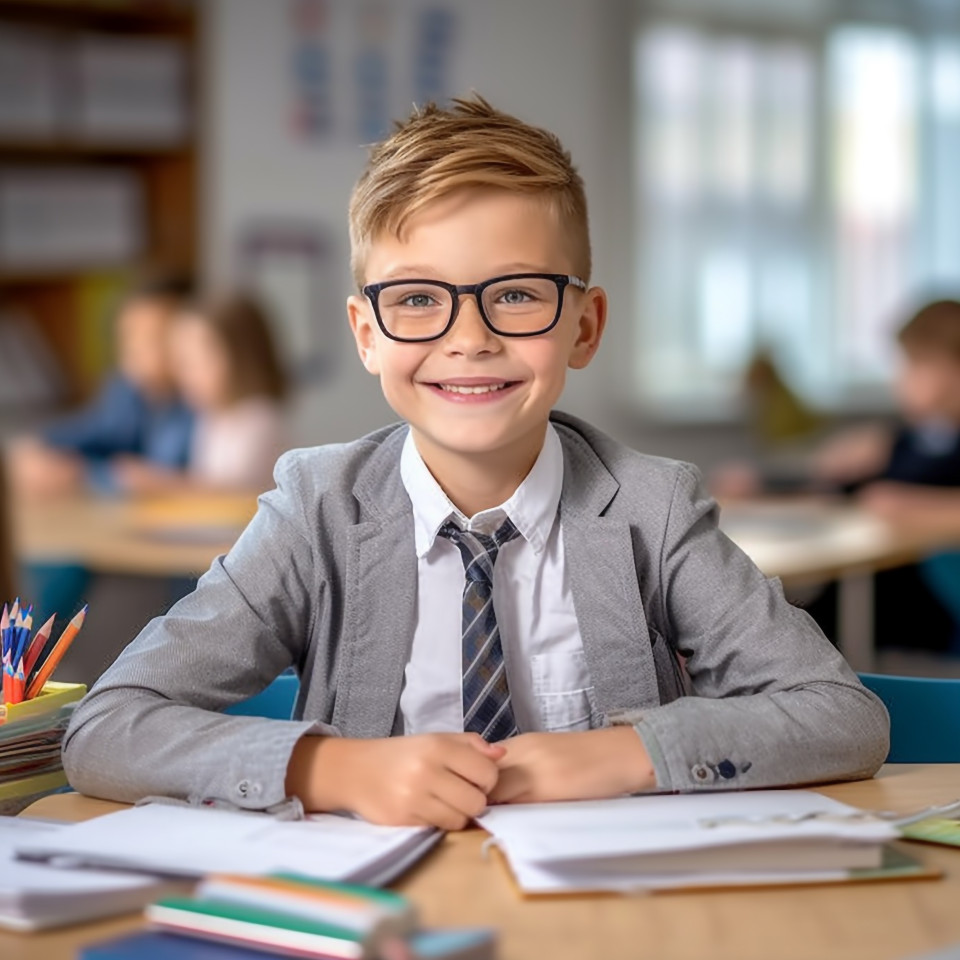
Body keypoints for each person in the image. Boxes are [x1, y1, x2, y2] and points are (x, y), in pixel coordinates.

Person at [62, 96, 889, 829]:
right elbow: (107, 728)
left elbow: (841, 715)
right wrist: (333, 767)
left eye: (518, 293)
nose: (469, 338)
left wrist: (624, 755)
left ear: (585, 326)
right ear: (365, 333)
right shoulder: (315, 509)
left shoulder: (653, 507)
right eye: (418, 298)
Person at [8, 273, 195, 497]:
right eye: (127, 336)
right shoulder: (127, 390)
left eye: (151, 338)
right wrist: (37, 447)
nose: (133, 350)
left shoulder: (197, 404)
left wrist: (84, 474)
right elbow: (93, 432)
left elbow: (154, 478)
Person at [111, 292, 290, 494]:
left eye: (195, 361)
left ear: (241, 358)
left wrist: (161, 482)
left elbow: (237, 497)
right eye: (182, 361)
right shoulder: (211, 418)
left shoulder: (260, 420)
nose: (183, 373)